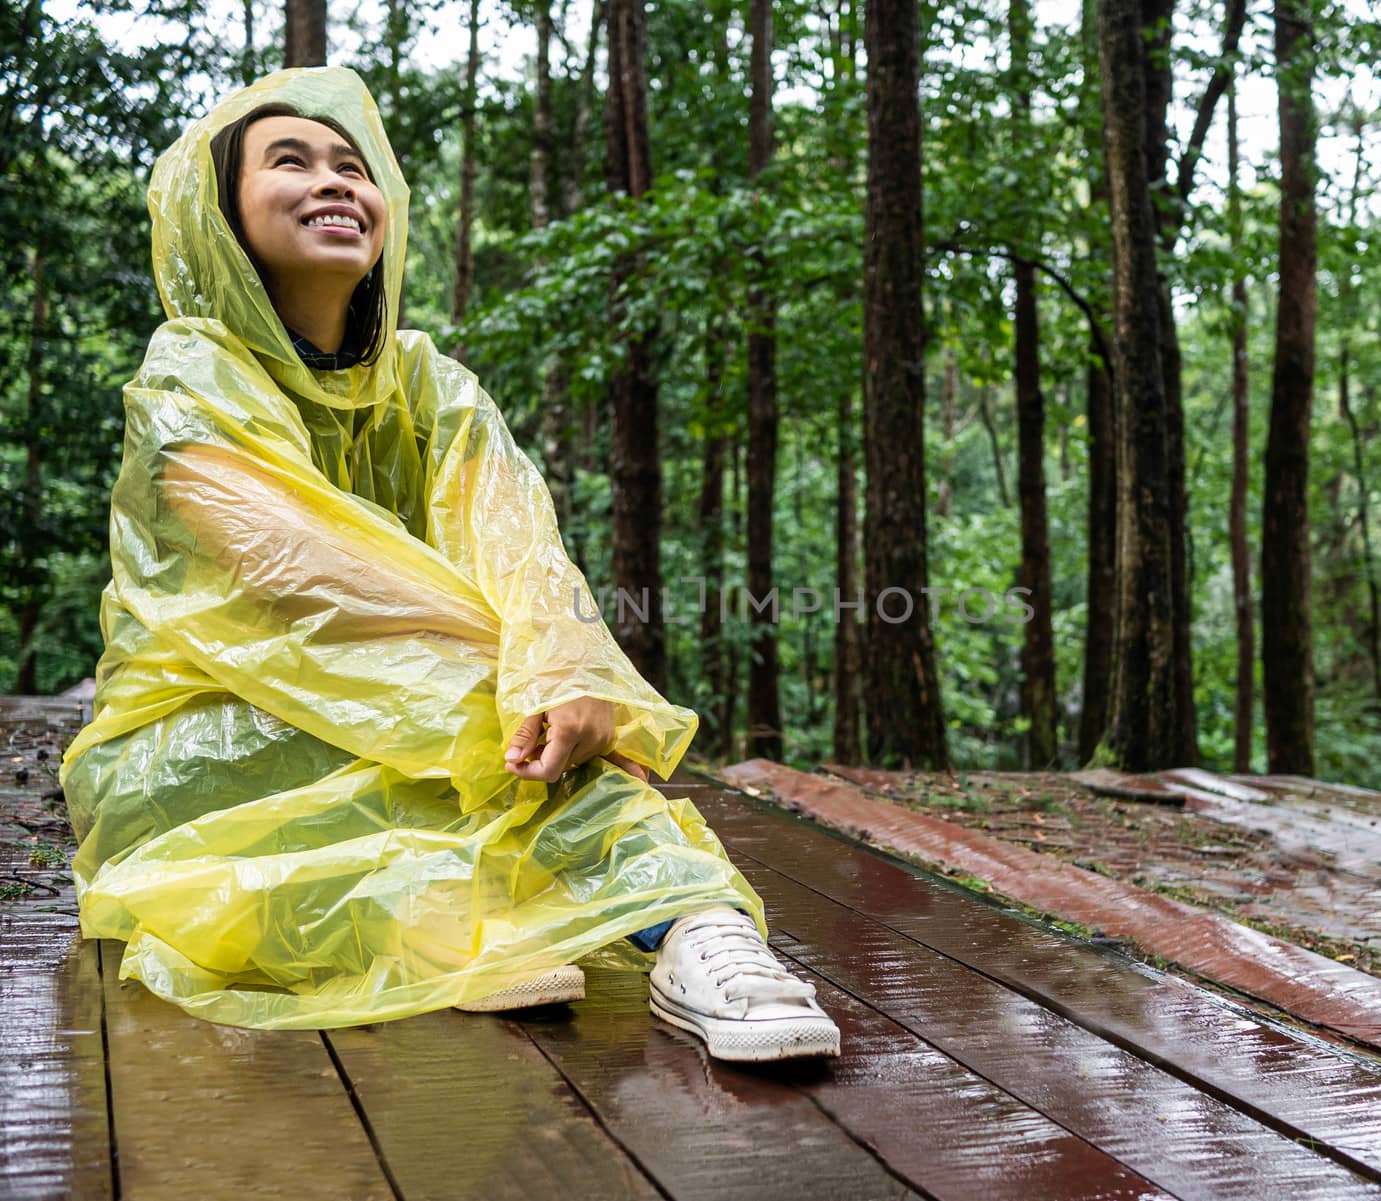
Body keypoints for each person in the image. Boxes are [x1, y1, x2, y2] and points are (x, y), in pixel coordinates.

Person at [58, 66, 839, 1063]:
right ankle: (473, 917)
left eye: (353, 165)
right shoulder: (190, 373)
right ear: (218, 213)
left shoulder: (432, 384)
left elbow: (519, 544)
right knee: (510, 732)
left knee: (534, 724)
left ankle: (698, 929)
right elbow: (293, 569)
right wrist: (519, 681)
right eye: (289, 162)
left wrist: (566, 669)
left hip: (427, 712)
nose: (335, 182)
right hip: (214, 731)